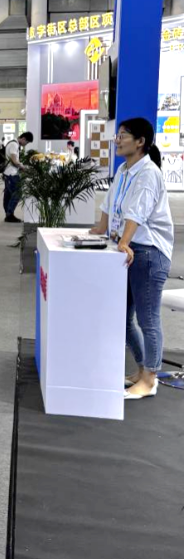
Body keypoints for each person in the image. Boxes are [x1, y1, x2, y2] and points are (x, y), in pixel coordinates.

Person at [90, 117, 174, 401]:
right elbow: (109, 202)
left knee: (148, 319)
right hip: (127, 250)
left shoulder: (148, 172)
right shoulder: (124, 170)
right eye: (118, 135)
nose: (117, 140)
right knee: (123, 318)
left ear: (140, 142)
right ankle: (141, 370)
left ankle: (150, 379)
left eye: (123, 135)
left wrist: (124, 241)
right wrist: (100, 229)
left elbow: (137, 211)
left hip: (148, 252)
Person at [3, 131, 34, 224]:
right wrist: (23, 167)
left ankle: (8, 214)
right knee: (17, 194)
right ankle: (9, 215)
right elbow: (14, 160)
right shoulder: (14, 145)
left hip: (8, 173)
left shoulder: (12, 143)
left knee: (8, 195)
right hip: (12, 174)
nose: (25, 144)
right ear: (23, 138)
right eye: (26, 142)